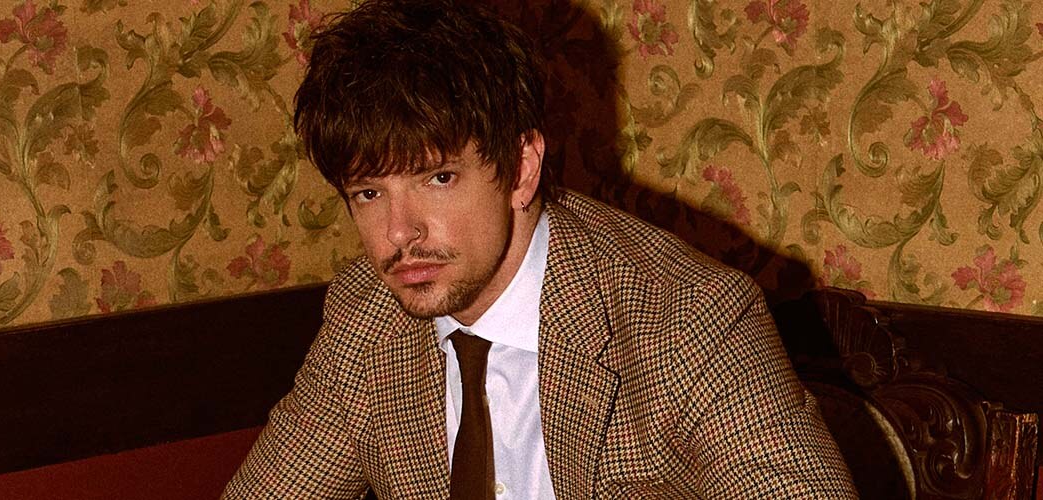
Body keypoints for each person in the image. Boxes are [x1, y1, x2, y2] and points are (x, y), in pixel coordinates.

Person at [224, 0, 857, 498]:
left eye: (438, 179)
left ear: (522, 168)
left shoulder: (686, 317)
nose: (398, 234)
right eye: (368, 193)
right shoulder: (366, 317)